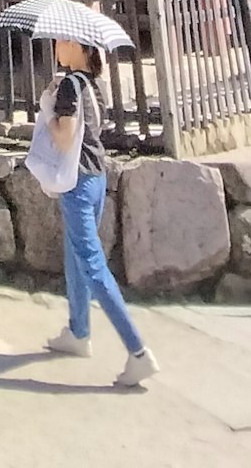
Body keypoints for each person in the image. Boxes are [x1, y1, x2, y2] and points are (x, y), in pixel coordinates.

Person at [42, 41, 157, 387]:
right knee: (76, 255)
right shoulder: (94, 84)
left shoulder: (69, 85)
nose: (56, 47)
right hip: (96, 178)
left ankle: (138, 351)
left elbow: (64, 138)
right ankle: (79, 332)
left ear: (77, 46)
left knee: (91, 264)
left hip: (77, 182)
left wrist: (48, 109)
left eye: (62, 42)